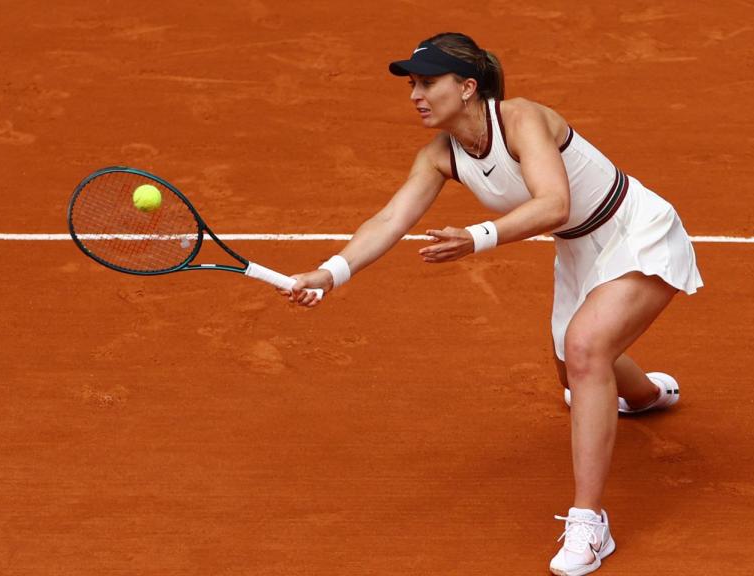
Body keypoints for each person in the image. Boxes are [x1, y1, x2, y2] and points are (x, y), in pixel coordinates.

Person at [282, 32, 703, 576]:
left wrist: (477, 237)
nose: (415, 94)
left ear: (467, 87)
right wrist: (330, 273)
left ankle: (589, 523)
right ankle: (644, 397)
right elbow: (391, 219)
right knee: (571, 367)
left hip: (636, 229)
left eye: (428, 82)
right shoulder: (440, 157)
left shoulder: (523, 118)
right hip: (580, 251)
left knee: (585, 348)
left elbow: (554, 204)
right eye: (412, 83)